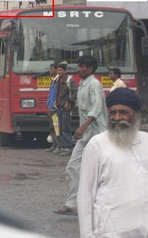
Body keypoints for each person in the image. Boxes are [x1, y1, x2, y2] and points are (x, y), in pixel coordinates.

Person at [78, 88, 148, 237]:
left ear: (135, 115)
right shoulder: (97, 144)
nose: (117, 117)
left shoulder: (146, 142)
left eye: (123, 112)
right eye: (112, 113)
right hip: (110, 232)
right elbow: (85, 194)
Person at [55, 55, 108, 216]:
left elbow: (97, 110)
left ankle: (101, 204)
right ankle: (73, 203)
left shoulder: (94, 85)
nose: (79, 69)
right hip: (86, 137)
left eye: (83, 66)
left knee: (102, 172)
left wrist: (82, 127)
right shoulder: (82, 84)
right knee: (72, 167)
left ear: (91, 69)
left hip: (98, 136)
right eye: (79, 66)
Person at [55, 63, 77, 156]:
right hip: (58, 106)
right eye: (58, 70)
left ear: (65, 71)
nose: (59, 72)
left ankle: (68, 147)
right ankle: (62, 146)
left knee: (65, 127)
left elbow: (75, 93)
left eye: (61, 70)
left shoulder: (69, 80)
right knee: (59, 126)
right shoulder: (56, 80)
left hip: (66, 107)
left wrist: (69, 102)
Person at [45, 63, 62, 153]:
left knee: (57, 128)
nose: (50, 71)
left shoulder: (59, 81)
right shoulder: (53, 80)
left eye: (51, 69)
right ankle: (54, 145)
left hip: (55, 108)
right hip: (51, 107)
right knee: (52, 127)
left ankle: (59, 146)